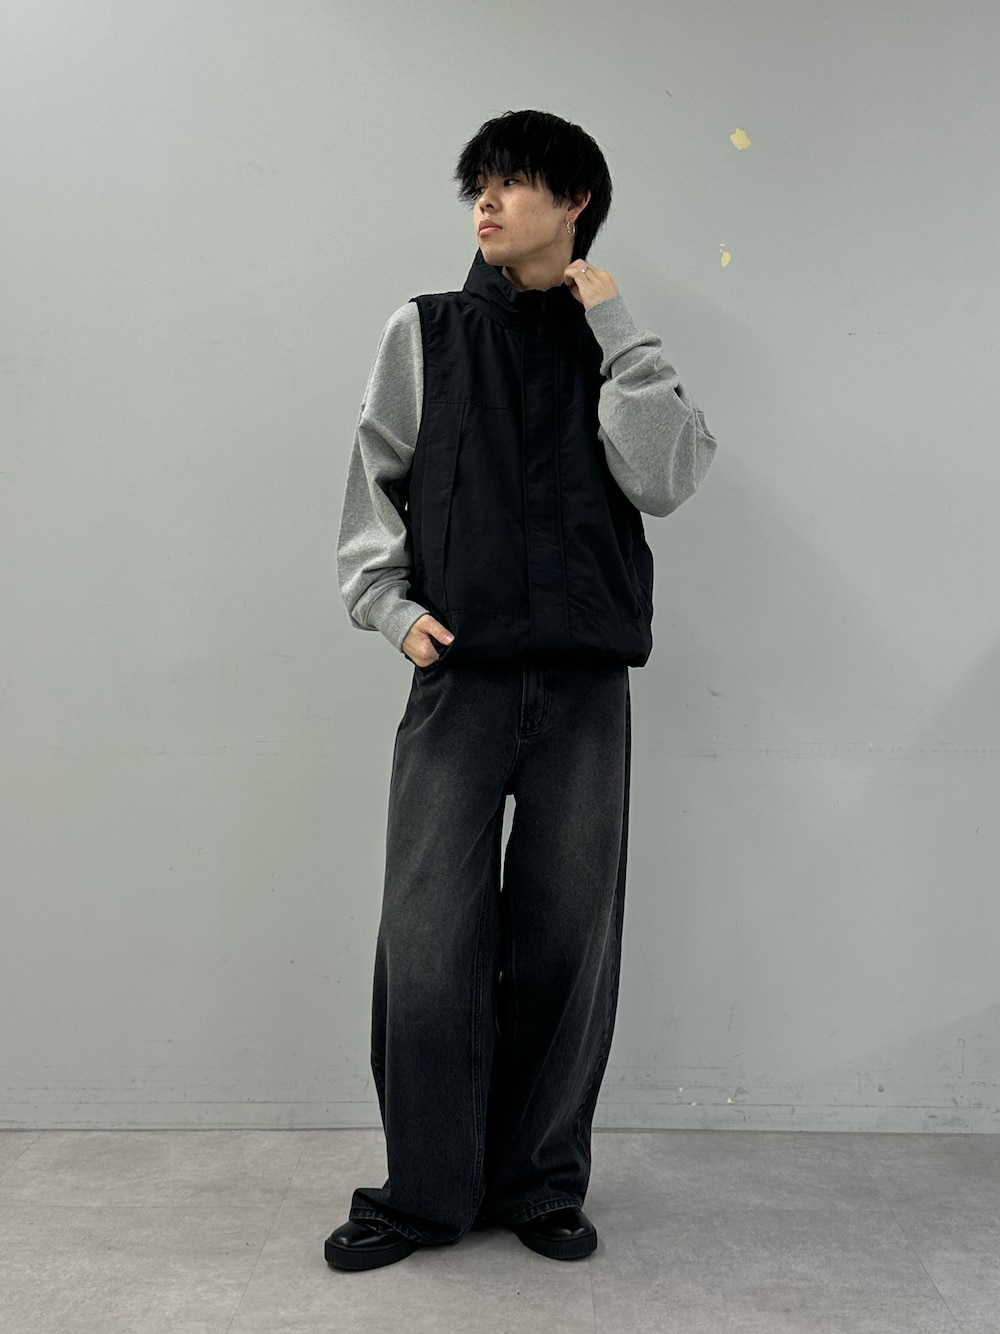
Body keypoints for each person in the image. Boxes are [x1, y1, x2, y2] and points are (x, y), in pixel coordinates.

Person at [326, 109, 717, 1272]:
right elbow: (373, 476)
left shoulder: (614, 343)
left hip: (586, 688)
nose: (487, 203)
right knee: (429, 941)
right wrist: (390, 609)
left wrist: (618, 328)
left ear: (575, 202)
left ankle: (540, 1182)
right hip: (461, 678)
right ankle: (423, 1192)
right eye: (480, 185)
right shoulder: (428, 330)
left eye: (512, 183)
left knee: (566, 940)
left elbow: (668, 477)